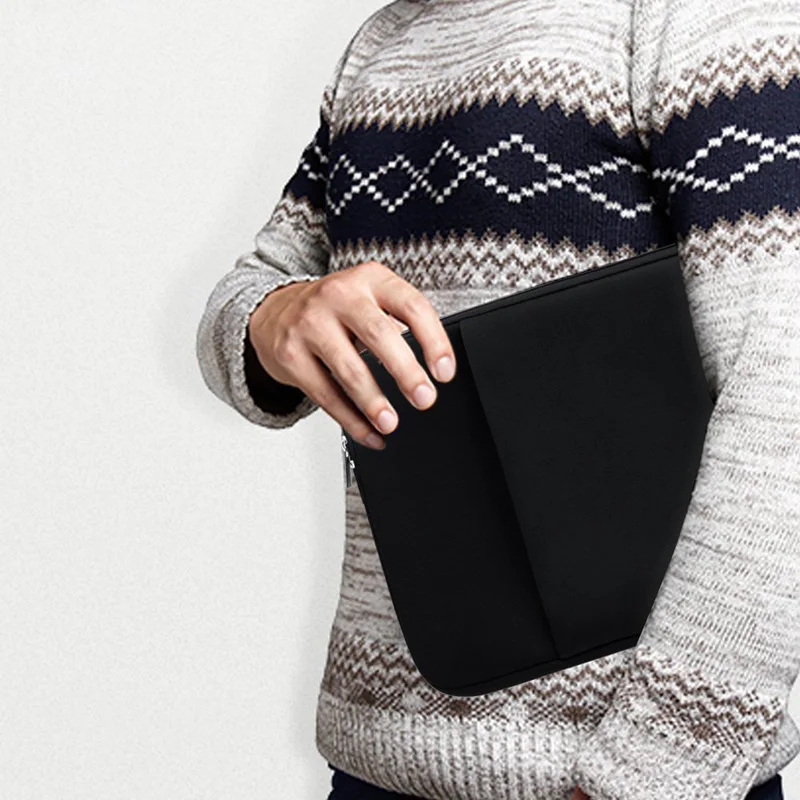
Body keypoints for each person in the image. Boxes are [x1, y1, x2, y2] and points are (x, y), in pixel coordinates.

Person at [195, 0, 800, 797]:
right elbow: (251, 290)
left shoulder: (700, 18)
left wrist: (653, 776)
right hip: (374, 764)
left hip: (618, 776)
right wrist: (275, 316)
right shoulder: (382, 44)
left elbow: (781, 413)